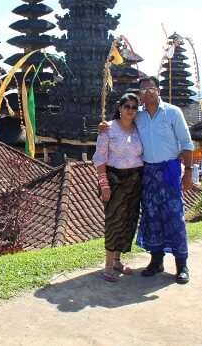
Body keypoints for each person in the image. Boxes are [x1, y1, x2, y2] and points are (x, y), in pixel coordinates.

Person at [100, 76, 195, 284]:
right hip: (148, 172)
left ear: (158, 90)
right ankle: (156, 260)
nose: (147, 92)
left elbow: (187, 144)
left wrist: (188, 171)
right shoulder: (139, 116)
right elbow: (120, 122)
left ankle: (181, 264)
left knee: (174, 216)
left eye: (151, 88)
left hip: (169, 168)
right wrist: (104, 126)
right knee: (151, 216)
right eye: (143, 89)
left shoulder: (173, 112)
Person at [92, 93, 144, 282]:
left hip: (136, 179)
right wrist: (104, 185)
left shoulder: (139, 129)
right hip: (114, 179)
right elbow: (99, 158)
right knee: (114, 220)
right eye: (127, 106)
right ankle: (107, 266)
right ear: (120, 108)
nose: (130, 110)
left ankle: (117, 260)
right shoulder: (108, 129)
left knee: (129, 221)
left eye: (134, 107)